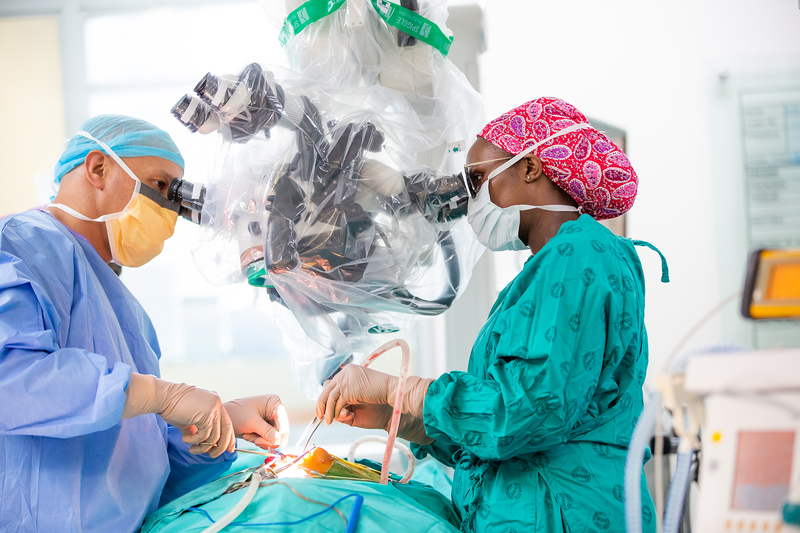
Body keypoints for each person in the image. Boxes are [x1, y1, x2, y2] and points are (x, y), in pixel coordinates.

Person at [316, 97, 668, 532]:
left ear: (531, 167)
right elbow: (497, 433)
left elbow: (528, 413)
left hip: (563, 512)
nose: (471, 199)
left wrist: (399, 390)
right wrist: (399, 418)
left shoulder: (577, 256)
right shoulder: (547, 271)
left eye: (480, 178)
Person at [0, 115, 289, 533]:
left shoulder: (126, 312)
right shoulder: (18, 246)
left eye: (177, 199)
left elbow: (145, 477)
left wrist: (211, 429)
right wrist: (161, 394)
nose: (169, 210)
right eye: (160, 186)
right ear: (98, 169)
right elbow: (12, 382)